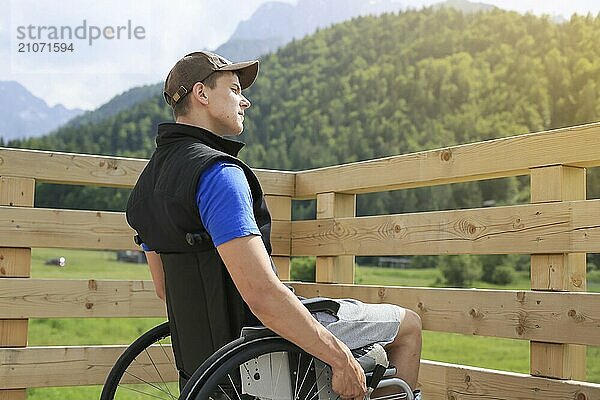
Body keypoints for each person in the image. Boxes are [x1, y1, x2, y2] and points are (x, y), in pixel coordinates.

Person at [125, 51, 422, 399]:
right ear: (201, 94)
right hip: (258, 345)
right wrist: (340, 359)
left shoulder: (145, 189)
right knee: (408, 326)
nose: (245, 100)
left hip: (205, 364)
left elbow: (166, 290)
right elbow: (262, 295)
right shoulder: (219, 175)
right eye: (234, 89)